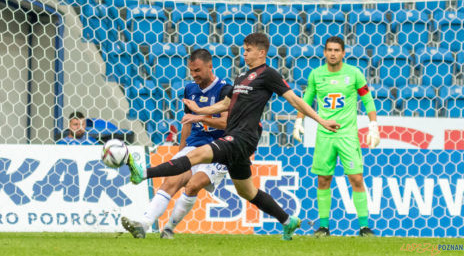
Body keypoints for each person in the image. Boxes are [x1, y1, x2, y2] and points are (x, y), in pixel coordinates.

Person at [126, 33, 340, 241]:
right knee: (248, 192)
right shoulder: (241, 77)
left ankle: (142, 173)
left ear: (262, 52)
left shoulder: (268, 74)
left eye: (248, 51)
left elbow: (294, 99)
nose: (244, 54)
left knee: (196, 156)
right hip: (235, 140)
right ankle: (287, 221)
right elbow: (225, 104)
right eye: (244, 50)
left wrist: (321, 120)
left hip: (242, 138)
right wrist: (199, 110)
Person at [121, 48, 232, 239]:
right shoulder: (189, 89)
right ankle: (144, 224)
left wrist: (201, 118)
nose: (194, 75)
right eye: (191, 71)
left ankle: (169, 228)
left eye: (197, 70)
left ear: (210, 66)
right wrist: (180, 154)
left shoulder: (225, 89)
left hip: (218, 149)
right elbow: (187, 123)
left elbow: (226, 122)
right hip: (194, 146)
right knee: (171, 180)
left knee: (193, 185)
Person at [292, 36, 380, 237]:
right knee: (323, 179)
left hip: (348, 135)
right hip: (324, 135)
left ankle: (364, 227)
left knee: (356, 178)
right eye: (329, 50)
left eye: (337, 50)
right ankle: (323, 227)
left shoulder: (354, 73)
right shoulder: (316, 75)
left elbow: (367, 99)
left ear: (343, 53)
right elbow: (306, 100)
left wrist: (373, 124)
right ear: (324, 52)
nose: (333, 53)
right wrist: (299, 121)